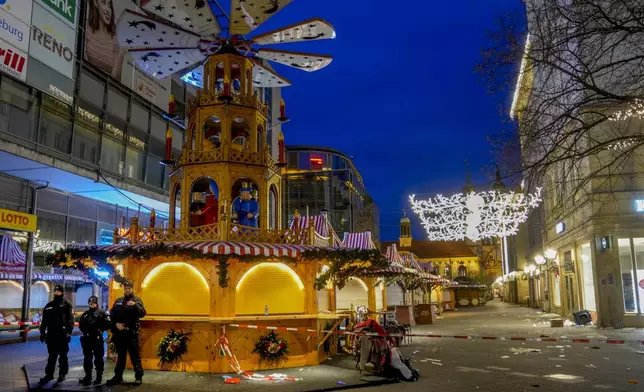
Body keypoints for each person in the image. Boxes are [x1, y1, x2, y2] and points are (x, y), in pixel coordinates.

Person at [107, 281, 147, 385]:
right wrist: (116, 324)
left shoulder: (136, 300)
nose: (127, 290)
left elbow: (143, 313)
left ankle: (138, 377)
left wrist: (135, 306)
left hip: (131, 333)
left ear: (132, 289)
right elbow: (112, 315)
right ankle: (118, 376)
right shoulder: (119, 300)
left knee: (135, 356)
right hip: (120, 334)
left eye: (129, 288)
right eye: (126, 288)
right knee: (121, 357)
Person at [38, 285, 74, 384]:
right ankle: (49, 375)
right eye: (55, 290)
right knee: (52, 356)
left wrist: (68, 332)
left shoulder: (67, 304)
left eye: (59, 291)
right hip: (51, 335)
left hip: (62, 335)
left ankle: (62, 374)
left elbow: (71, 320)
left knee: (63, 356)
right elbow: (44, 321)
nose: (57, 292)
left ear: (62, 292)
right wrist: (42, 333)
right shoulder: (49, 305)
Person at [85, 0, 126, 80]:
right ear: (95, 3)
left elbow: (116, 82)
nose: (108, 10)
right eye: (103, 3)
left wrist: (120, 55)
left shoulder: (116, 39)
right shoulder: (86, 29)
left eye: (109, 5)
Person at [79, 295, 111, 386]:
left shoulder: (101, 313)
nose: (91, 304)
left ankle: (98, 377)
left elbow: (109, 323)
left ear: (96, 303)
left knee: (98, 359)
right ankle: (88, 377)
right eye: (90, 303)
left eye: (93, 303)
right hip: (87, 339)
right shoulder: (85, 313)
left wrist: (100, 328)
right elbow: (81, 325)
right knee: (87, 358)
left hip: (97, 338)